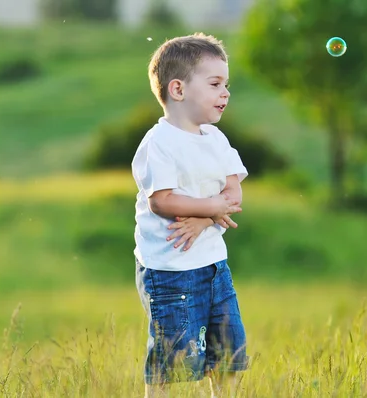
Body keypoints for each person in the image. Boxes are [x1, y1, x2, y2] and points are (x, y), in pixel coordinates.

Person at [131, 32, 249, 397]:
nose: (225, 93)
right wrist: (212, 208)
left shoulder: (216, 139)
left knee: (228, 350)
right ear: (178, 90)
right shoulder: (159, 143)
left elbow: (233, 191)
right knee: (173, 358)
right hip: (169, 273)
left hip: (214, 265)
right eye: (215, 84)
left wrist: (207, 216)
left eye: (226, 84)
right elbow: (162, 201)